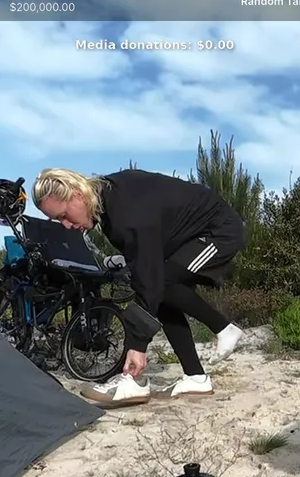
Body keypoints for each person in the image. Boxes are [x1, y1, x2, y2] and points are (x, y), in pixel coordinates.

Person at [31, 167, 248, 406]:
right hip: (182, 237)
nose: (66, 225)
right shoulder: (107, 204)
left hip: (219, 231)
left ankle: (223, 328)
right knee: (161, 293)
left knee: (161, 284)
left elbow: (149, 280)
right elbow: (143, 269)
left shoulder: (126, 212)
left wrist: (137, 346)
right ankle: (196, 378)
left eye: (64, 215)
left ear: (77, 195)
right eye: (57, 220)